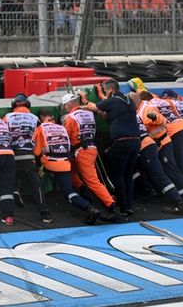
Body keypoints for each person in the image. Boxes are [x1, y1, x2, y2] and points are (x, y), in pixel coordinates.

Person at [128, 80, 183, 203]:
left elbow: (160, 119)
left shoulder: (147, 107)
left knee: (176, 167)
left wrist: (153, 119)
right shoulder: (165, 101)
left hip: (168, 137)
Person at [82, 78, 143, 216]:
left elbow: (94, 107)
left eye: (105, 90)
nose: (104, 92)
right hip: (135, 142)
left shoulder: (113, 101)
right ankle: (129, 205)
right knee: (128, 174)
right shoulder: (127, 102)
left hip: (122, 142)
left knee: (117, 174)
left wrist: (81, 105)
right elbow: (106, 115)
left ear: (111, 90)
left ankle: (122, 206)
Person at [33, 109, 102, 224]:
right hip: (65, 164)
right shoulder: (62, 128)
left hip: (49, 163)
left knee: (36, 182)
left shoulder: (40, 129)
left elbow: (36, 152)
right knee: (69, 192)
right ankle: (90, 208)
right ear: (52, 117)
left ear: (41, 118)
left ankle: (44, 210)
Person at [62, 92, 123, 222]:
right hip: (90, 148)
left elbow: (66, 136)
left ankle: (112, 207)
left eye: (65, 106)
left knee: (93, 181)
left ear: (68, 105)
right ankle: (85, 192)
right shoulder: (89, 113)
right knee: (69, 169)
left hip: (82, 150)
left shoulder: (70, 118)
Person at [4, 93, 52, 223]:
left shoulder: (8, 117)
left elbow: (2, 135)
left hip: (12, 155)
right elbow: (39, 142)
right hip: (29, 156)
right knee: (36, 186)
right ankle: (45, 213)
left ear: (14, 104)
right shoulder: (35, 118)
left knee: (8, 180)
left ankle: (10, 210)